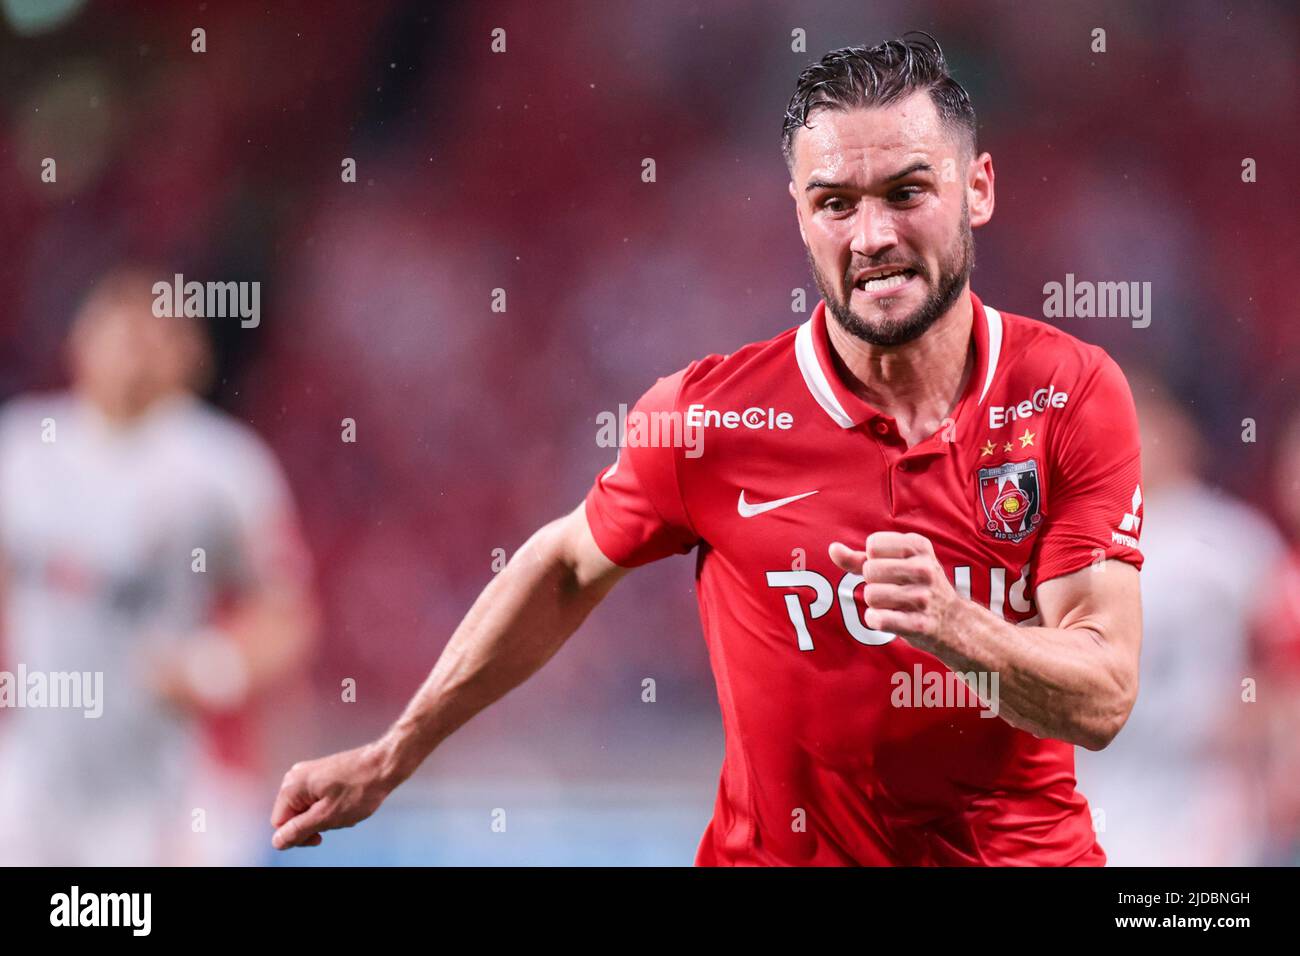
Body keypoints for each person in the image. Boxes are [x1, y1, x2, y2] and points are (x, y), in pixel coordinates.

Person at [271, 34, 1144, 866]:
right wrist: (394, 754)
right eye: (835, 203)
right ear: (801, 218)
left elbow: (1103, 693)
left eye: (907, 192)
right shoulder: (705, 419)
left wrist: (961, 629)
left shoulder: (1070, 393)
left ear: (978, 189)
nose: (871, 237)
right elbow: (570, 565)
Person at [0, 267, 317, 865]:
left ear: (189, 355)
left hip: (160, 791)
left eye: (153, 336)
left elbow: (286, 614)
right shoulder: (19, 450)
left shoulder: (223, 468)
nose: (134, 353)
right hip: (32, 782)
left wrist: (211, 667)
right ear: (78, 342)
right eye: (119, 332)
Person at [1073, 372, 1284, 865]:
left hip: (1207, 804)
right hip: (1106, 792)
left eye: (1138, 422)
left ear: (1182, 428)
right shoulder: (1075, 544)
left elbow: (1281, 666)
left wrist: (1258, 718)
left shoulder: (1237, 542)